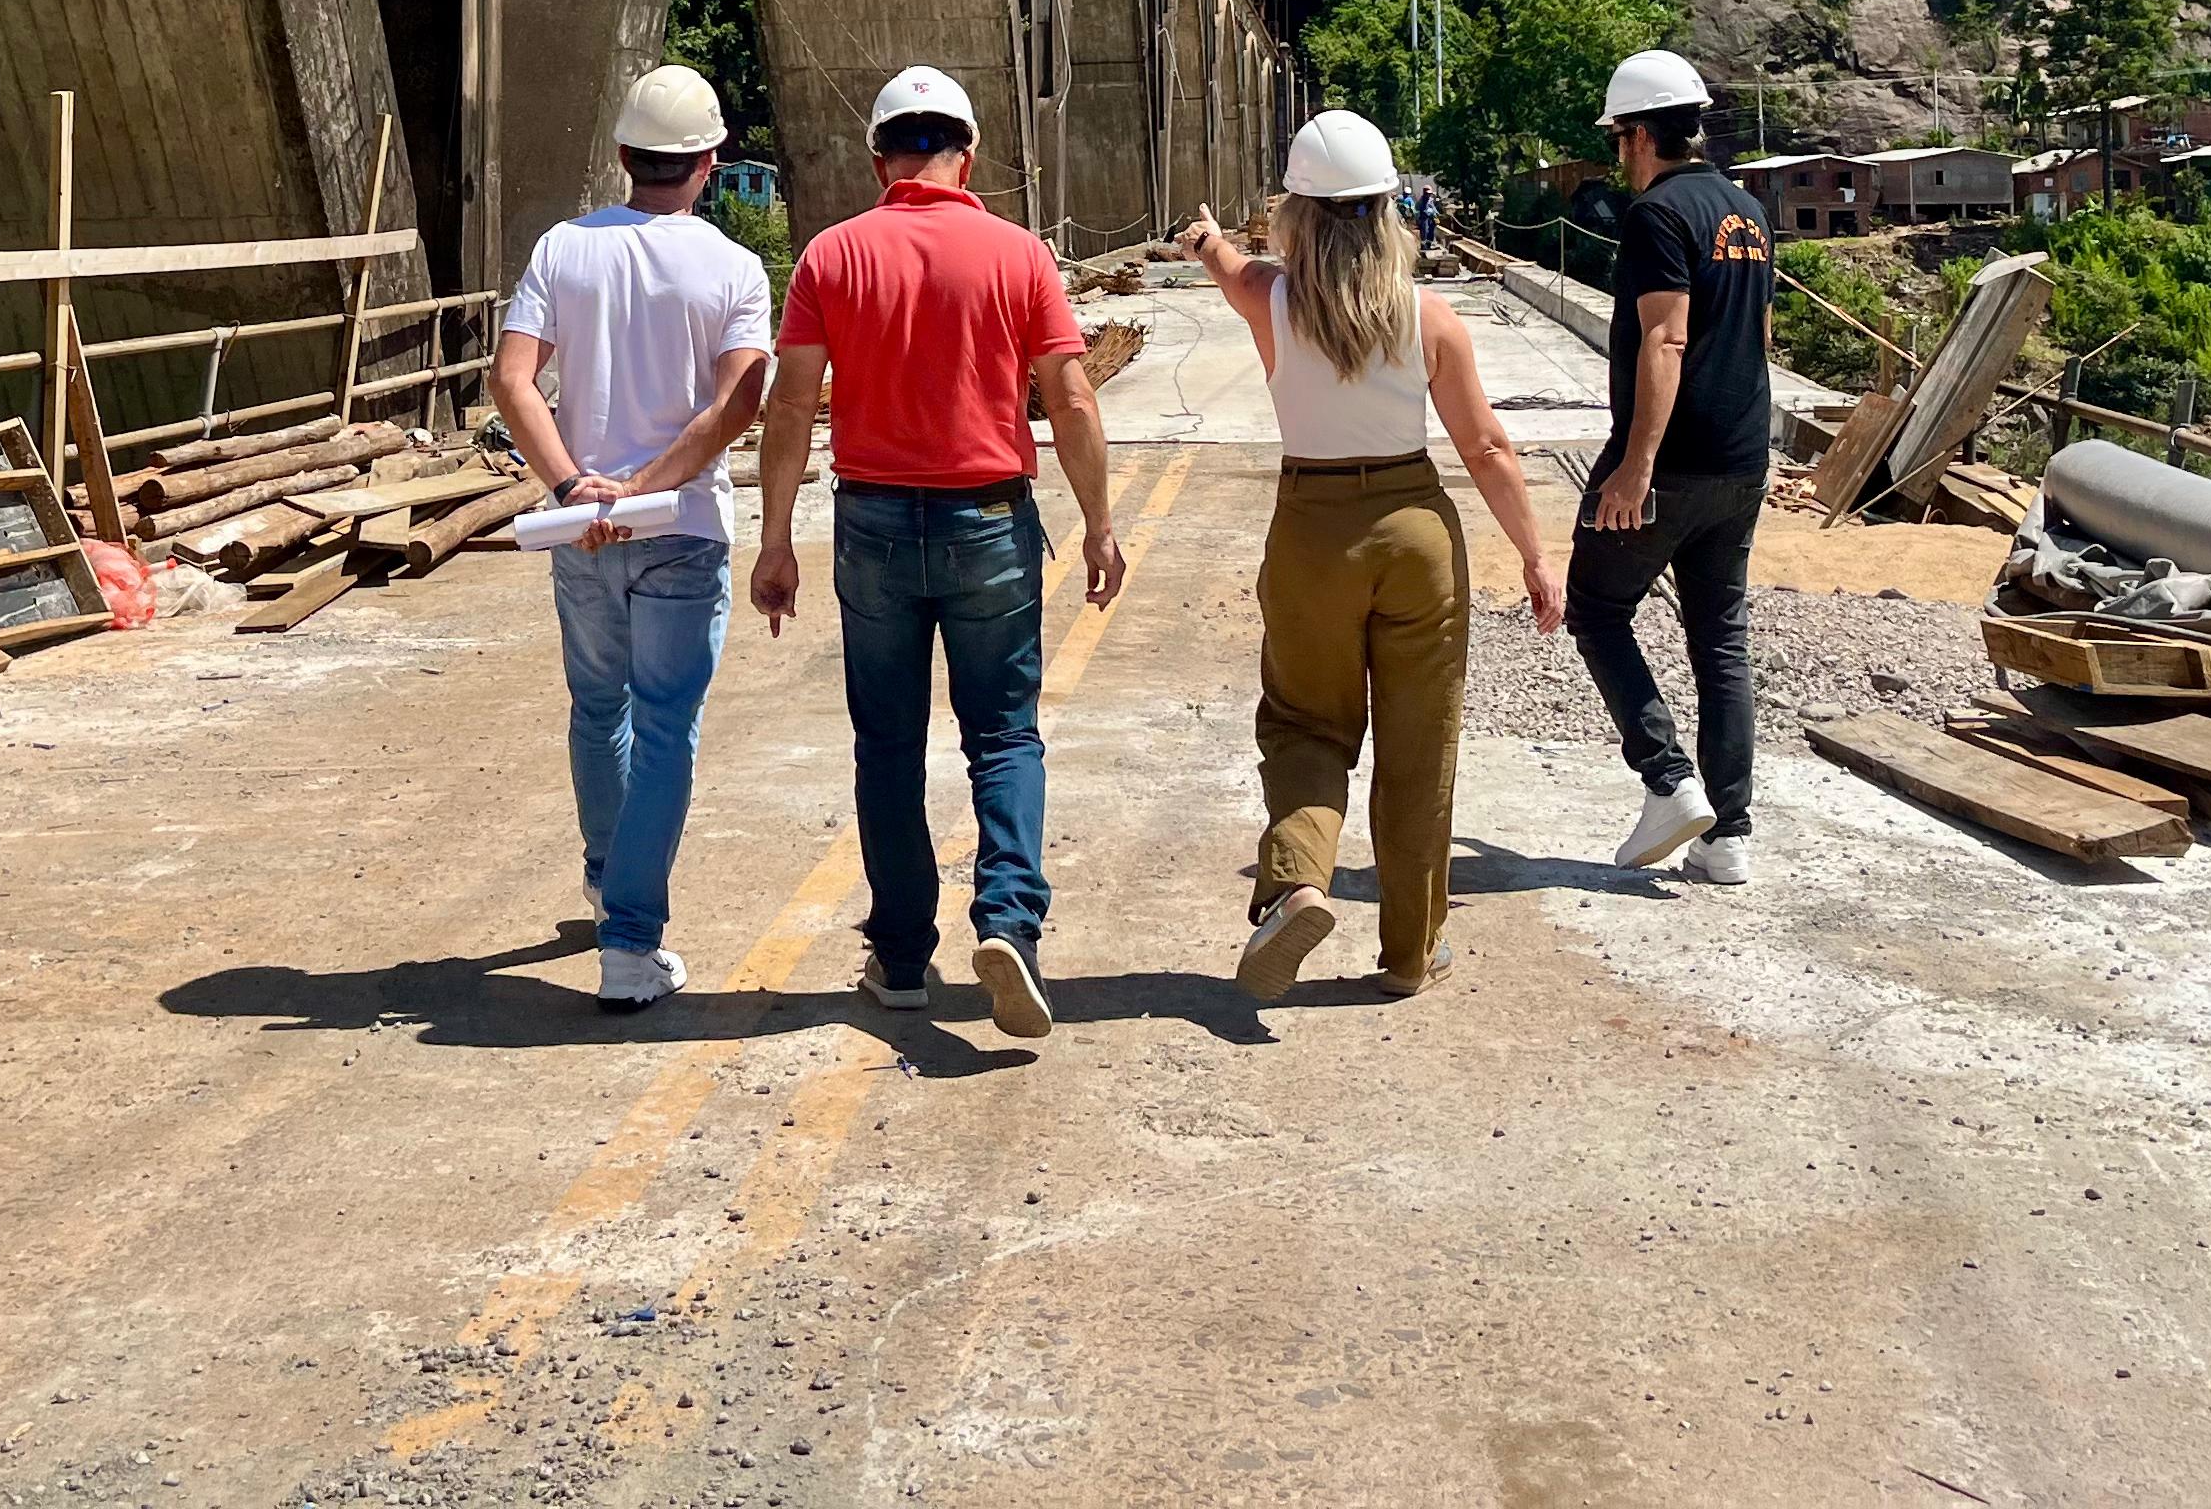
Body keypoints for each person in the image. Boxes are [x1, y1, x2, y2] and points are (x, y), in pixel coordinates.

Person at [751, 67, 1122, 1038]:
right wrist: (1101, 525)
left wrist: (776, 539)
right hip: (989, 523)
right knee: (1003, 736)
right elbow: (1072, 398)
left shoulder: (830, 258)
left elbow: (790, 404)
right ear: (972, 153)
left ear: (879, 158)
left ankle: (903, 958)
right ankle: (1008, 924)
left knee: (888, 742)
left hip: (872, 523)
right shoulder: (1019, 254)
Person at [1179, 112, 1562, 1003]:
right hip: (1415, 533)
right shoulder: (1430, 320)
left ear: (1296, 216)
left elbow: (1223, 261)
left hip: (1312, 529)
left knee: (1308, 722)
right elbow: (1489, 451)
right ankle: (1410, 952)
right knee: (1421, 747)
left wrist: (1204, 237)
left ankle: (1299, 881)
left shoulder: (1269, 299)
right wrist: (1537, 558)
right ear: (1390, 211)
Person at [492, 65, 776, 1011]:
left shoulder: (561, 251)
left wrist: (578, 487)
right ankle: (630, 940)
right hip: (683, 527)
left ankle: (609, 866)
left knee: (595, 707)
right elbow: (740, 400)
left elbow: (511, 380)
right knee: (665, 728)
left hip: (582, 533)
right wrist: (647, 487)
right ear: (710, 160)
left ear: (621, 157)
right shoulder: (732, 269)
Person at [1566, 47, 1774, 885]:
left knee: (1596, 605)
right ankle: (1730, 837)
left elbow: (1667, 337)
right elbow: (1757, 338)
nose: (1619, 154)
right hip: (1742, 458)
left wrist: (1635, 467)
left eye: (1619, 137)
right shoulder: (1747, 213)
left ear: (1644, 134)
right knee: (1719, 639)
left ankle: (1668, 781)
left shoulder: (1656, 217)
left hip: (1674, 460)